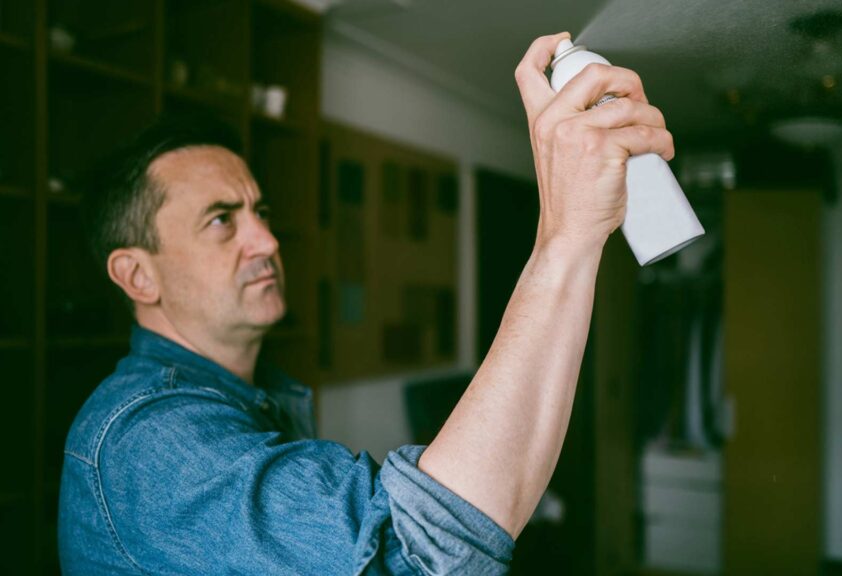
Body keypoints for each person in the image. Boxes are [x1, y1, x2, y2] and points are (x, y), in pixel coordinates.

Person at [58, 32, 674, 575]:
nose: (268, 240)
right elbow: (413, 555)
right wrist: (566, 234)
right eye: (222, 220)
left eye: (261, 213)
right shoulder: (148, 442)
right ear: (137, 275)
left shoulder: (257, 393)